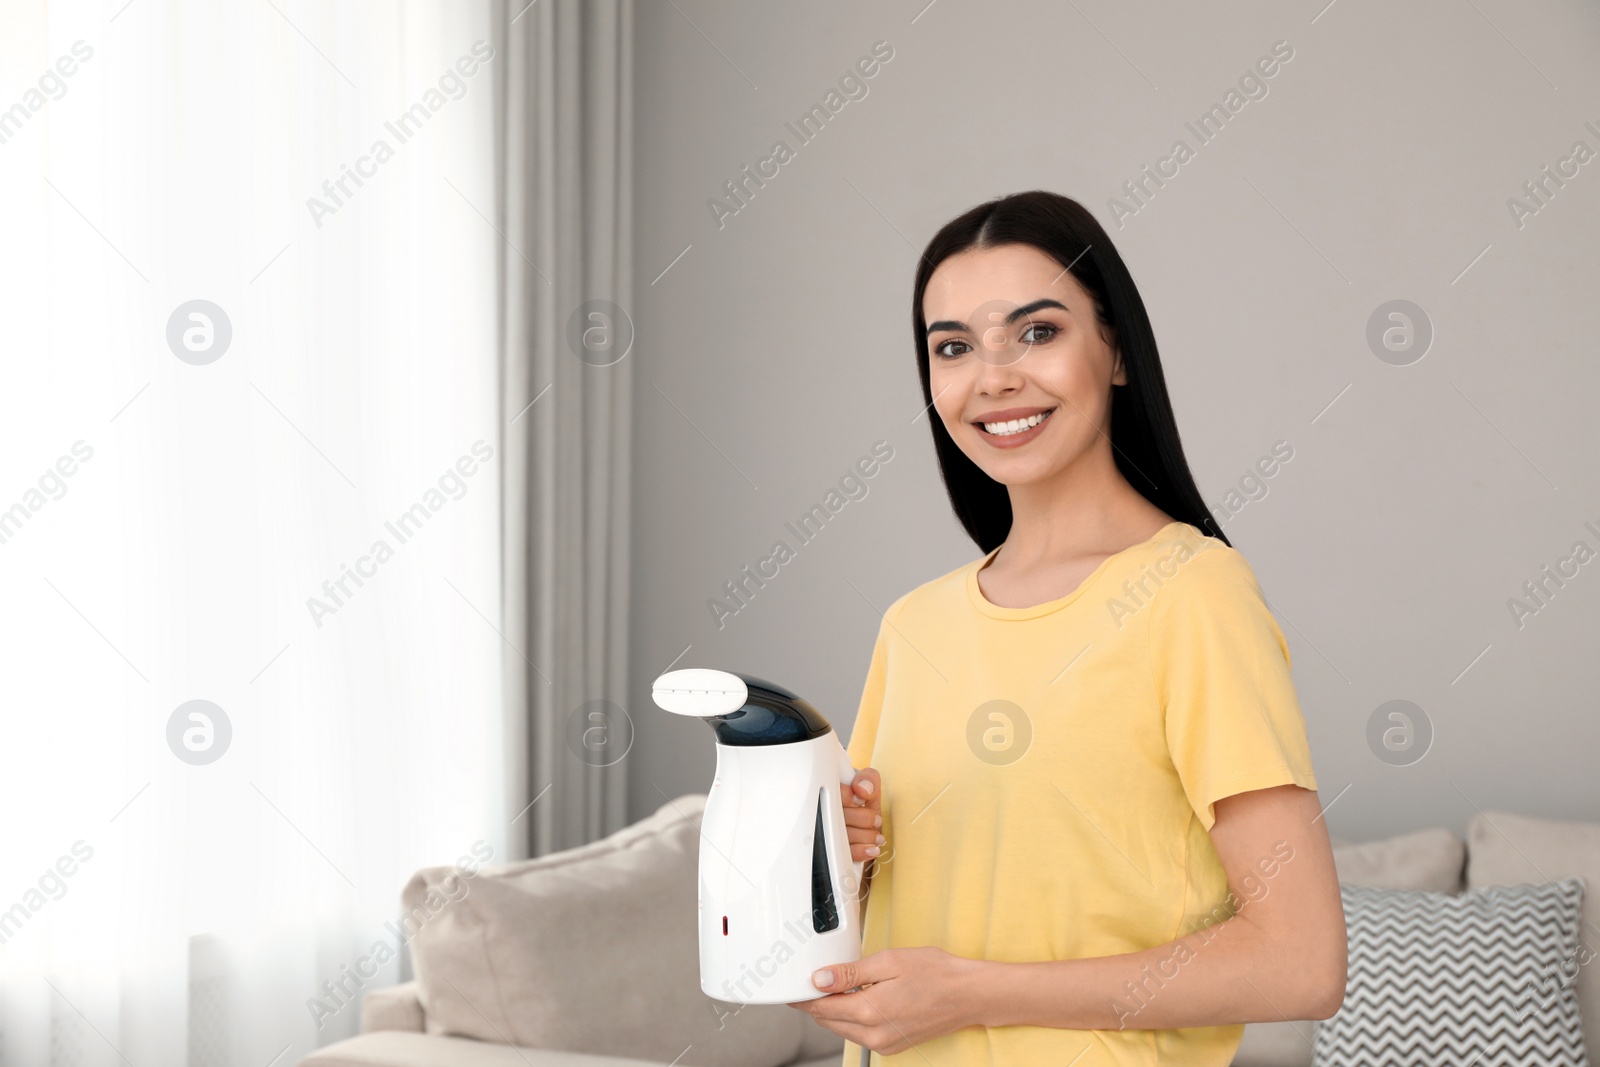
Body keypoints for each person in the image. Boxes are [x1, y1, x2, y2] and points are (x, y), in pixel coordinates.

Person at [785, 190, 1347, 1065]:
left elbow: (1300, 961)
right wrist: (846, 867)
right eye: (954, 347)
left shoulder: (1192, 594)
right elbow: (873, 929)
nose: (995, 376)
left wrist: (971, 992)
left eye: (1037, 332)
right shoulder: (915, 624)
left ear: (1116, 350)